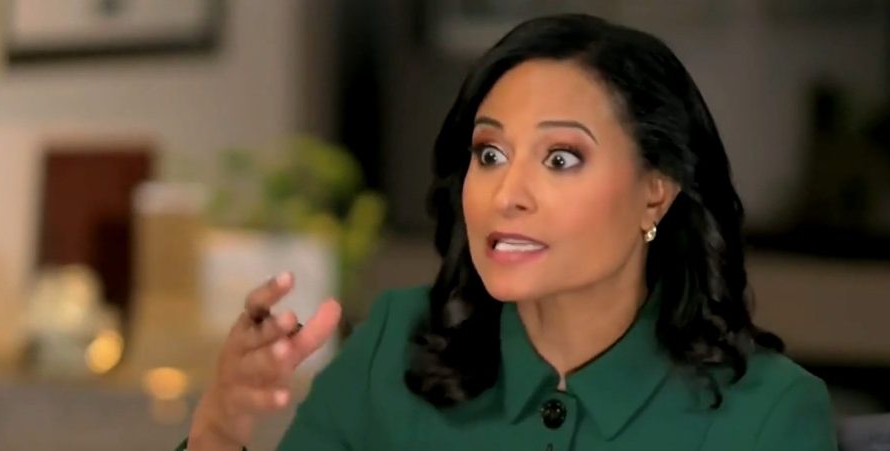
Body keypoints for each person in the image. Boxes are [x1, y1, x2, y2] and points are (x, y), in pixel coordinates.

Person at [180, 13, 837, 451]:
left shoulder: (769, 414)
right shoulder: (394, 348)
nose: (507, 194)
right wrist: (219, 428)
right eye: (490, 154)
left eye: (561, 159)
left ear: (654, 192)